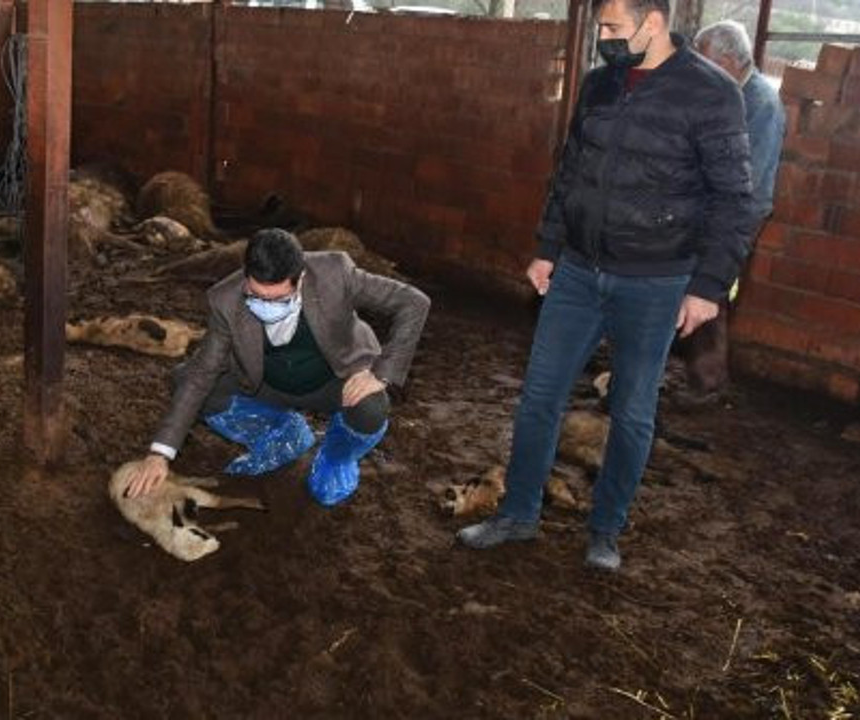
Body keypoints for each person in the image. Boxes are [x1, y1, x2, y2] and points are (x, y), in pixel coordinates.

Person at [455, 0, 760, 571]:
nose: (604, 38)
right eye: (600, 27)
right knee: (539, 398)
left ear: (653, 22)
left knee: (633, 409)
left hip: (655, 281)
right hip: (576, 271)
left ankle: (605, 529)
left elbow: (733, 200)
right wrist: (548, 247)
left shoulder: (711, 92)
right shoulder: (600, 84)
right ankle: (518, 514)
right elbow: (570, 170)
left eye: (613, 28)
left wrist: (707, 287)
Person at [122, 228, 430, 507]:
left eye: (279, 298)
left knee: (372, 407)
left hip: (333, 383)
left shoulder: (335, 273)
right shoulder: (225, 300)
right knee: (186, 378)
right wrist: (160, 454)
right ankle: (283, 435)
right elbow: (203, 373)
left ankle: (336, 458)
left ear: (301, 278)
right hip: (266, 385)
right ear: (247, 277)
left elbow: (413, 302)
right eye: (256, 296)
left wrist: (381, 373)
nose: (266, 305)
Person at [680, 20, 787, 400]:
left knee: (711, 289)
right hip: (717, 208)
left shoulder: (760, 104)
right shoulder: (732, 93)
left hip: (738, 215)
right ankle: (695, 372)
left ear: (727, 60)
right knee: (699, 285)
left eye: (705, 61)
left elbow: (748, 183)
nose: (699, 70)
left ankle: (708, 384)